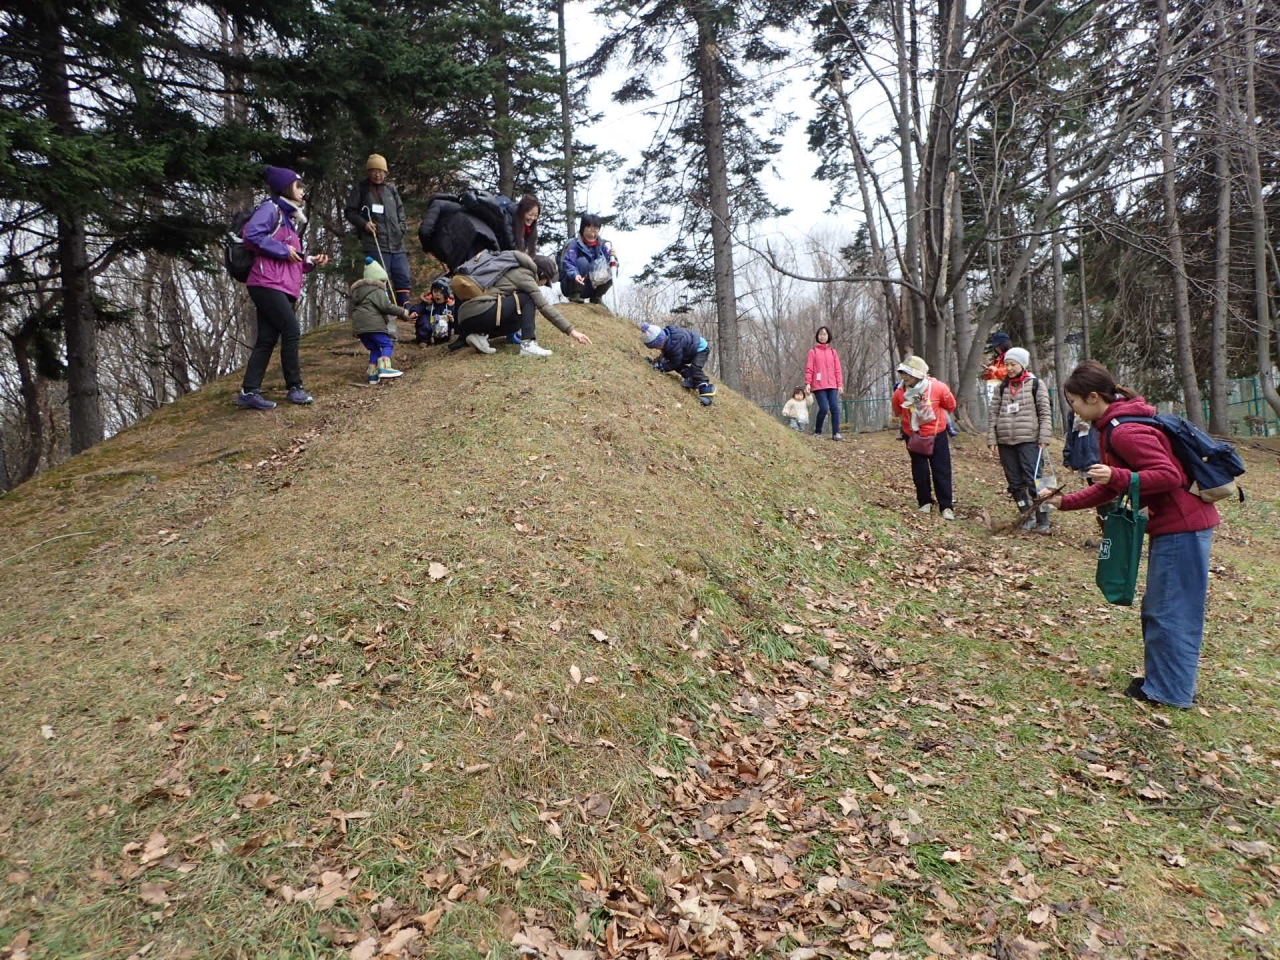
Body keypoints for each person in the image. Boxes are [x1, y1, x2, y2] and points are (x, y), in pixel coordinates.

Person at [1046, 360, 1220, 709]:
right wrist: (1063, 503)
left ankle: (1170, 692)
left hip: (1183, 526)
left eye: (1075, 402)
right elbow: (1111, 486)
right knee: (1160, 607)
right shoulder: (1111, 428)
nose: (1074, 410)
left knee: (1171, 610)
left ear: (1093, 397)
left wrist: (1117, 478)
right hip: (1172, 526)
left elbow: (1167, 475)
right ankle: (1164, 681)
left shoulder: (1124, 431)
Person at [237, 166, 330, 410]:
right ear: (286, 187)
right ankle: (295, 388)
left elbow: (290, 258)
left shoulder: (289, 219)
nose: (303, 191)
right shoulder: (271, 209)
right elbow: (251, 235)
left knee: (267, 338)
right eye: (299, 186)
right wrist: (283, 250)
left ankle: (249, 391)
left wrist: (309, 261)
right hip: (266, 283)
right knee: (291, 330)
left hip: (280, 284)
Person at [454, 252, 592, 356]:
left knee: (520, 312)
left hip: (468, 316)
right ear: (542, 274)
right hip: (480, 310)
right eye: (546, 281)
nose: (544, 285)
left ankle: (480, 335)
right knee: (528, 299)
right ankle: (528, 345)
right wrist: (572, 331)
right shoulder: (525, 275)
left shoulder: (513, 269)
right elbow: (544, 306)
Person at [987, 346, 1054, 534]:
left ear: (1022, 364)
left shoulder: (1035, 384)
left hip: (1030, 440)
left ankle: (1044, 519)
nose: (1009, 368)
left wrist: (1044, 437)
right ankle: (1026, 515)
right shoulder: (1001, 388)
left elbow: (1044, 412)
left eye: (1013, 364)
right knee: (1015, 483)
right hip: (1006, 442)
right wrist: (992, 438)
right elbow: (993, 414)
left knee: (1036, 480)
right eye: (1006, 364)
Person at [892, 355, 957, 519]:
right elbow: (898, 411)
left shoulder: (938, 387)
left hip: (937, 434)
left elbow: (951, 405)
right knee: (919, 470)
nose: (905, 377)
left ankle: (946, 506)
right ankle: (924, 502)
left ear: (919, 374)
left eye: (908, 373)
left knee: (941, 470)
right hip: (913, 436)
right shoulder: (899, 393)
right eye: (903, 373)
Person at [344, 154, 411, 306]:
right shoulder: (361, 189)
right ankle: (382, 309)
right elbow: (350, 211)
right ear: (368, 172)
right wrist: (364, 224)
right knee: (379, 278)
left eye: (381, 171)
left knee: (402, 276)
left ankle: (405, 309)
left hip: (397, 243)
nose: (378, 174)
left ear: (386, 173)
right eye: (374, 171)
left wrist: (401, 229)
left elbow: (401, 212)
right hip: (375, 242)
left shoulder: (391, 191)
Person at [349, 258, 411, 384]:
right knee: (386, 344)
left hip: (359, 328)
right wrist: (403, 312)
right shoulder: (377, 290)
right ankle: (385, 368)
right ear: (378, 280)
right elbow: (386, 306)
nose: (386, 285)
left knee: (375, 349)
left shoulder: (359, 293)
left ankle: (372, 374)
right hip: (373, 325)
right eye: (385, 282)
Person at [639, 322, 716, 405]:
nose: (657, 349)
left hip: (700, 349)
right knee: (676, 364)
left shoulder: (674, 344)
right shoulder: (667, 338)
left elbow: (674, 363)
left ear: (660, 342)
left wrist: (661, 367)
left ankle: (707, 392)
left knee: (695, 368)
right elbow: (666, 355)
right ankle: (691, 379)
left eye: (656, 346)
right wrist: (656, 361)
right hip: (688, 350)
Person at [561, 214, 617, 304]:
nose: (592, 234)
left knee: (612, 269)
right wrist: (575, 275)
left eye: (595, 230)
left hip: (592, 286)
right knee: (582, 262)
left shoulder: (602, 245)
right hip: (573, 283)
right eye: (589, 230)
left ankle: (597, 296)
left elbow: (612, 264)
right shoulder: (574, 244)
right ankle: (575, 294)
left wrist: (613, 258)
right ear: (583, 229)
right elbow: (568, 262)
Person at [804, 326, 844, 441]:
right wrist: (808, 383)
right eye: (821, 334)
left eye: (825, 334)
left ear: (828, 336)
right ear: (817, 336)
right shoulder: (813, 352)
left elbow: (838, 369)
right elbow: (809, 368)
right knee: (824, 408)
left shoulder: (833, 352)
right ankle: (817, 432)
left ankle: (836, 433)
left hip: (832, 385)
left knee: (835, 408)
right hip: (819, 386)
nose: (823, 336)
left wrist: (839, 384)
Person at [410, 279, 455, 346]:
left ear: (446, 294)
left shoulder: (449, 306)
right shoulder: (428, 303)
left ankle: (441, 341)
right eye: (435, 291)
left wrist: (452, 319)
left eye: (441, 293)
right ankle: (423, 340)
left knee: (443, 321)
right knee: (424, 318)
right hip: (429, 326)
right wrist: (414, 312)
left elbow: (455, 319)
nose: (437, 294)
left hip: (442, 332)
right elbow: (419, 307)